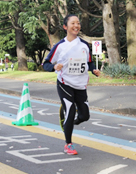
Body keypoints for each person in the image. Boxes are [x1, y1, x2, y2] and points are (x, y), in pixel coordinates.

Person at [43, 14, 100, 155]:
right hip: (65, 83)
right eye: (73, 23)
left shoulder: (84, 45)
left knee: (85, 116)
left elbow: (89, 62)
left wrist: (93, 70)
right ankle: (68, 144)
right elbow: (46, 63)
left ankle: (70, 122)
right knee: (70, 111)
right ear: (65, 27)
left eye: (78, 23)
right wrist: (54, 67)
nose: (76, 26)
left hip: (81, 85)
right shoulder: (60, 46)